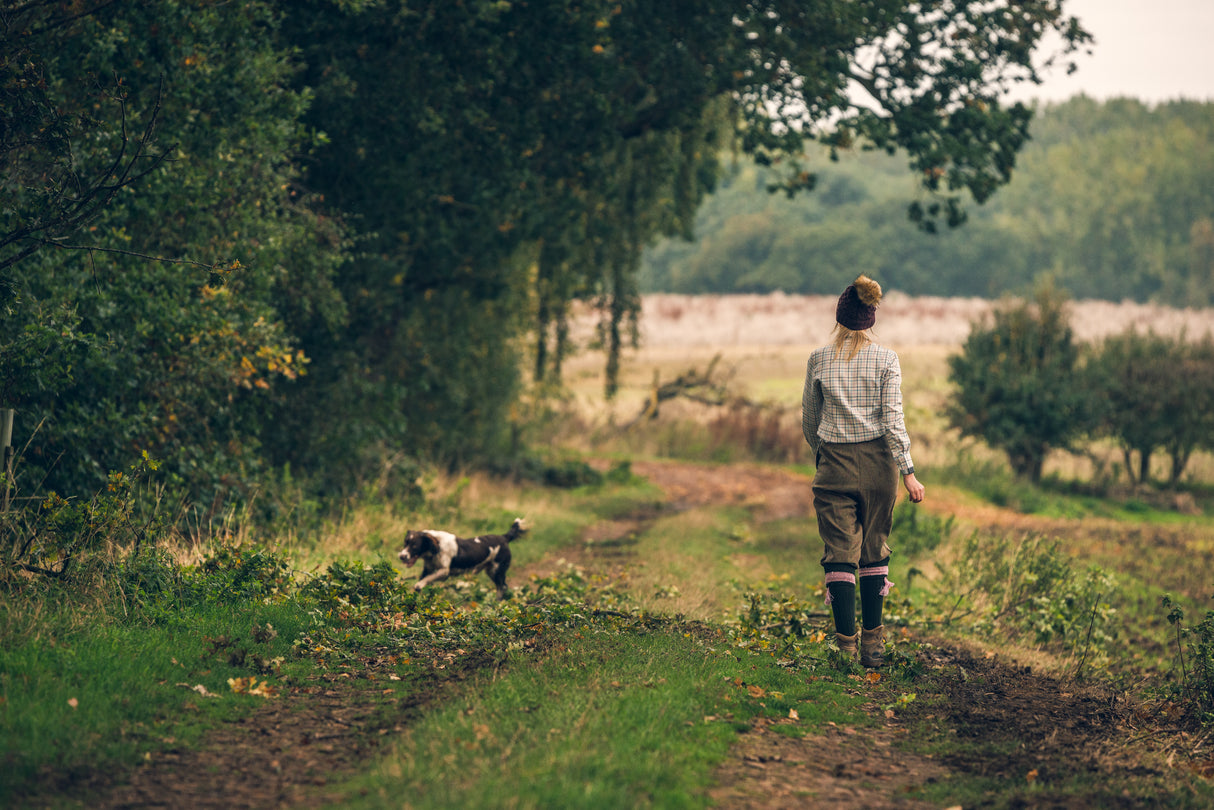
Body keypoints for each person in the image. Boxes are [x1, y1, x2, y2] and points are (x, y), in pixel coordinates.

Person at [801, 274, 925, 667]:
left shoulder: (818, 359)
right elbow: (893, 420)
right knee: (874, 551)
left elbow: (809, 419)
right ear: (870, 318)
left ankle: (845, 648)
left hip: (833, 465)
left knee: (839, 553)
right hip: (878, 468)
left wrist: (823, 454)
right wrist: (907, 470)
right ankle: (873, 645)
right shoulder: (887, 359)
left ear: (839, 317)